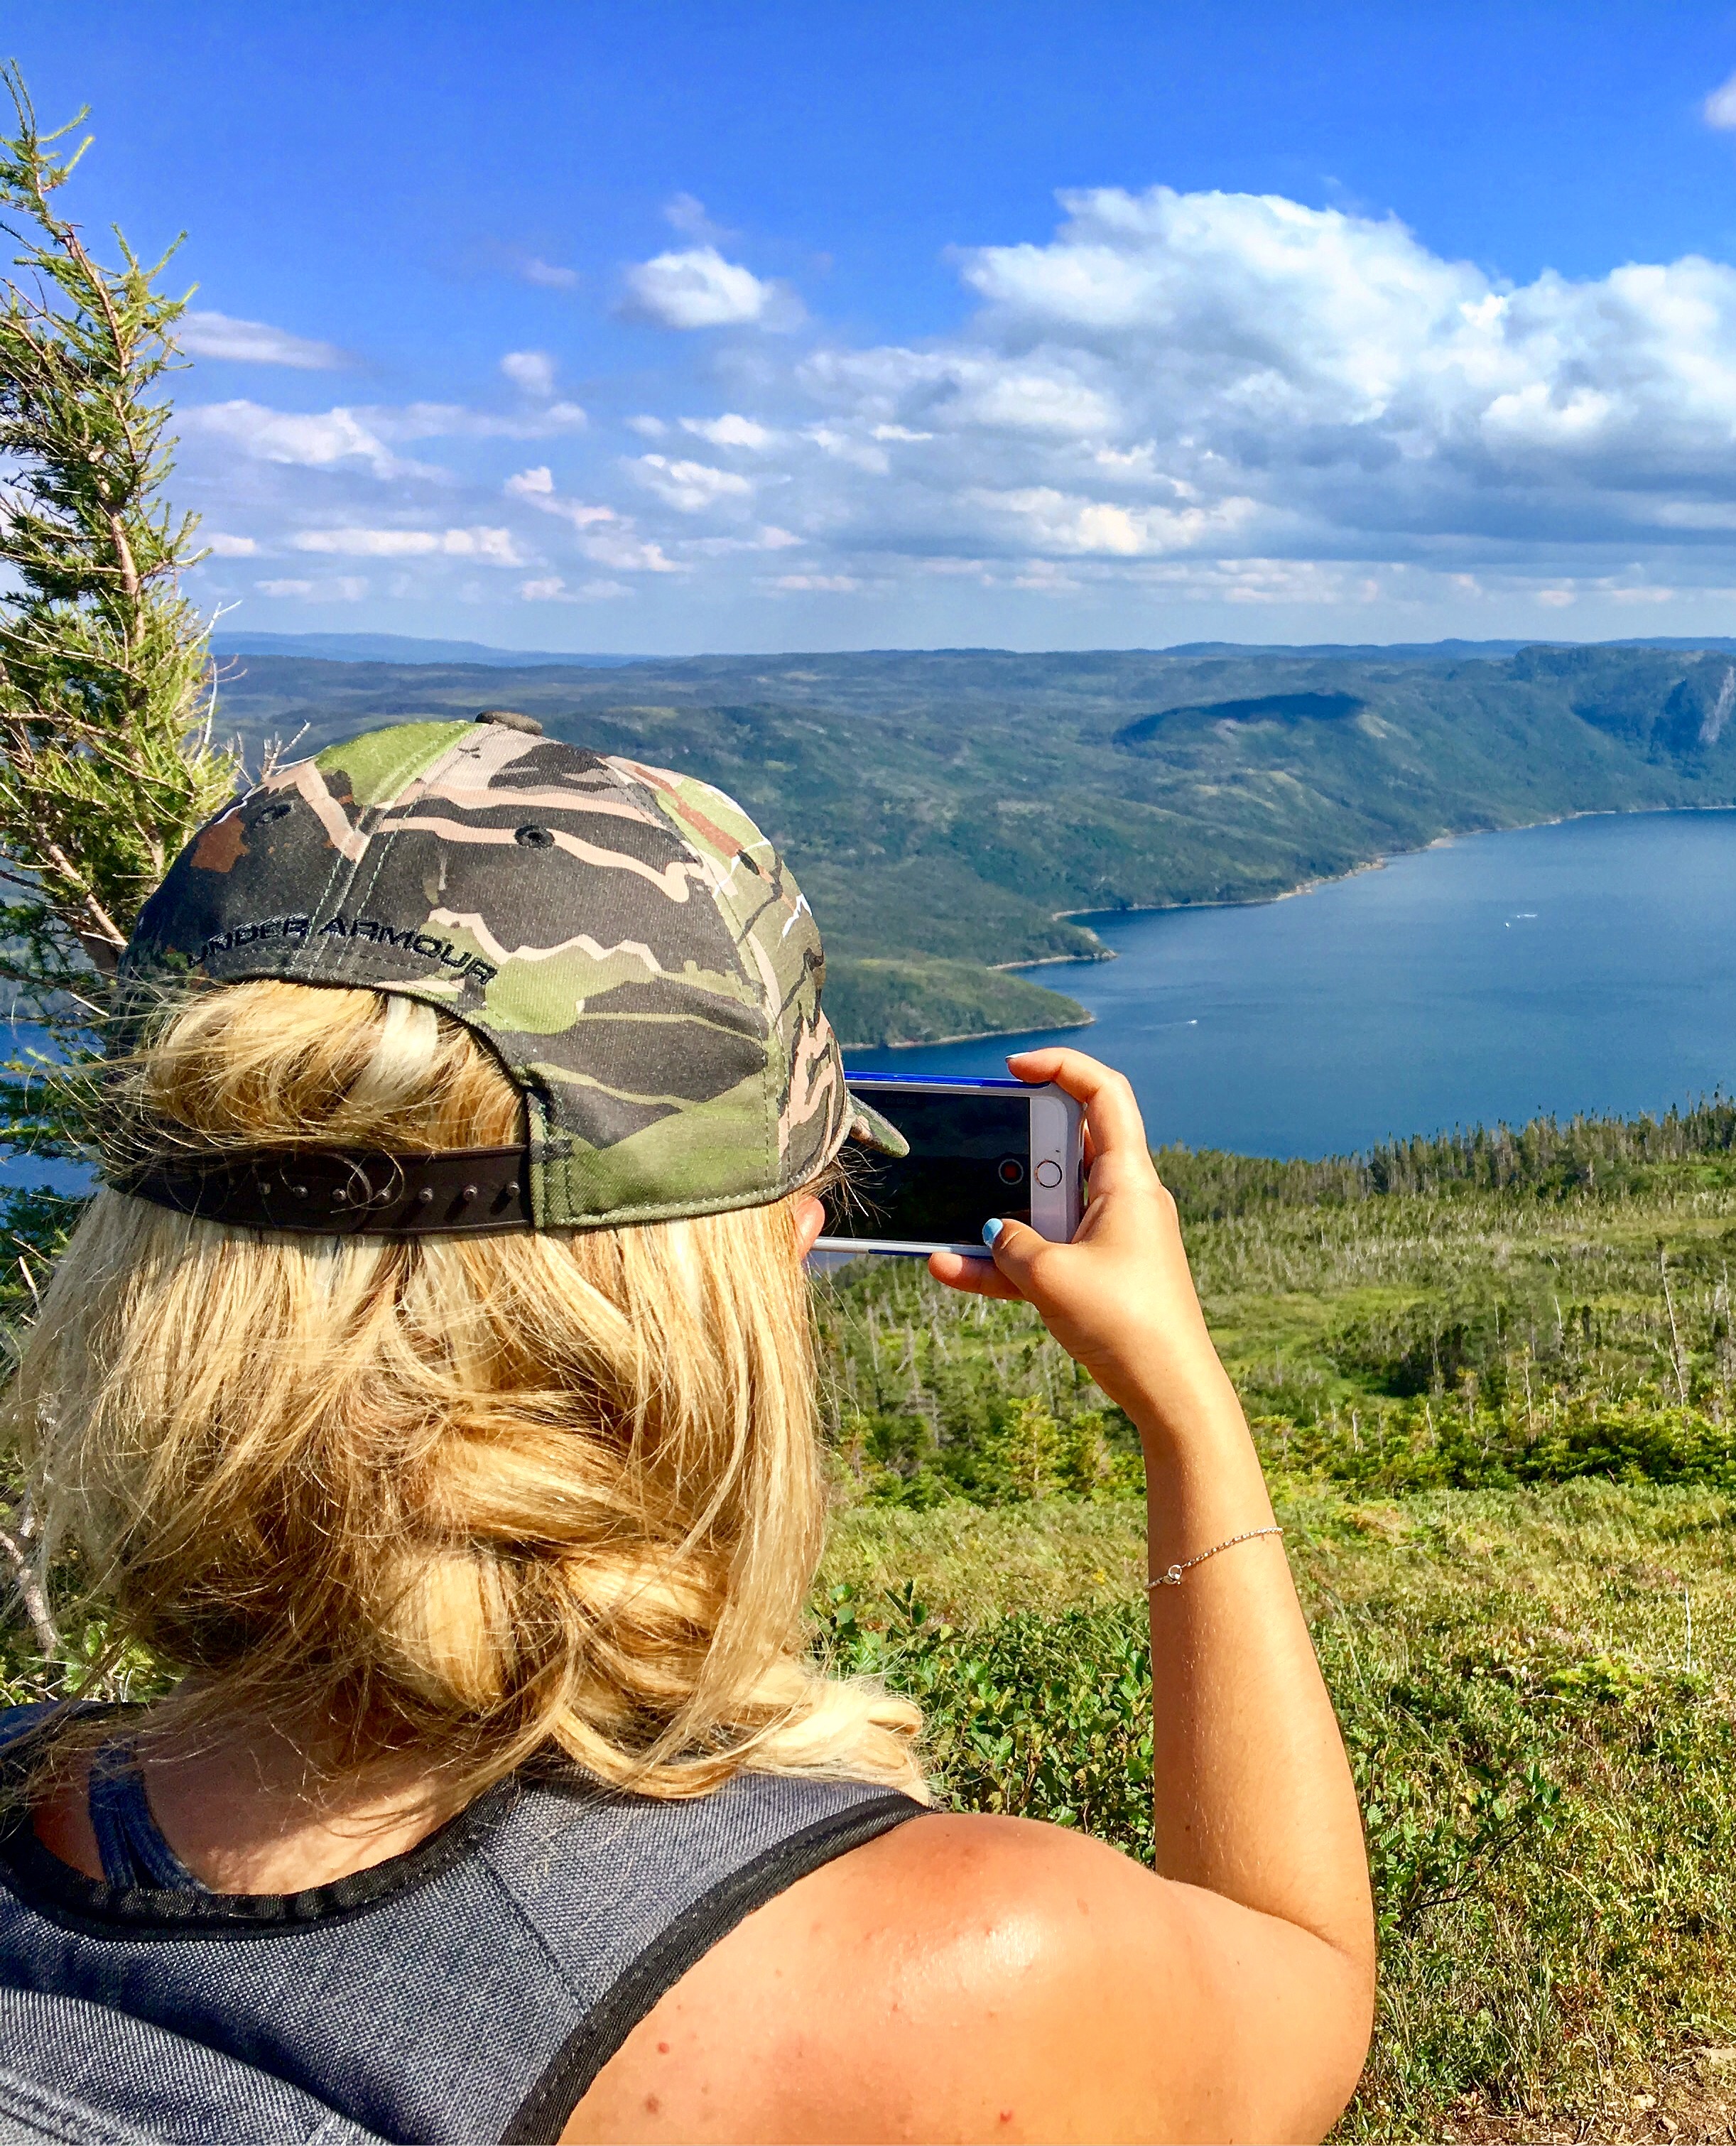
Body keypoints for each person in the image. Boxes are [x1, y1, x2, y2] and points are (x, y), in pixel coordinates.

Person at [0, 712, 1374, 2144]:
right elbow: (1306, 1986)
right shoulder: (946, 1973)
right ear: (740, 1272)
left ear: (148, 1274)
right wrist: (1189, 1409)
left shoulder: (31, 1791)